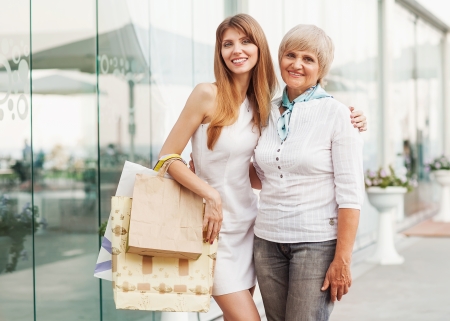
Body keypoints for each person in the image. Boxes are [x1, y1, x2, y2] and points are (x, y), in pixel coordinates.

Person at [160, 15, 366, 321]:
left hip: (250, 227)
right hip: (211, 227)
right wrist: (207, 191)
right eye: (227, 44)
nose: (236, 50)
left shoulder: (263, 105)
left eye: (245, 41)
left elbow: (263, 172)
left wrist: (355, 122)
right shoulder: (208, 94)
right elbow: (165, 158)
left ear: (260, 48)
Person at [251, 24, 364, 321]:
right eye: (290, 55)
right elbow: (263, 175)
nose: (297, 64)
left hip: (315, 242)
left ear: (321, 68)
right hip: (267, 240)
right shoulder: (265, 111)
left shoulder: (337, 114)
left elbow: (351, 194)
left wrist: (343, 259)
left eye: (308, 59)